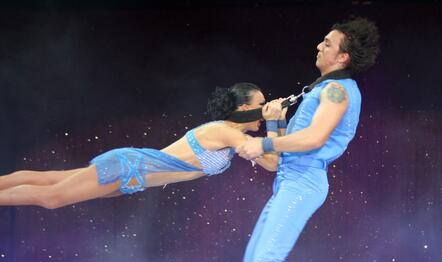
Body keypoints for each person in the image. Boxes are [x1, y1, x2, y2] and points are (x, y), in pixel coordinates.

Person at [236, 17, 380, 262]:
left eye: (328, 43)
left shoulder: (337, 91)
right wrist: (275, 124)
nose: (319, 45)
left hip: (303, 182)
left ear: (343, 57)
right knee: (255, 260)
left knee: (267, 260)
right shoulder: (325, 88)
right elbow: (283, 156)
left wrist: (264, 142)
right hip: (290, 180)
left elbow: (314, 139)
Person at [0, 83, 284, 208]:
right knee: (51, 198)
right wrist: (273, 121)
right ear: (244, 107)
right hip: (128, 167)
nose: (264, 109)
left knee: (51, 181)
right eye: (261, 104)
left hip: (132, 178)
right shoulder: (225, 132)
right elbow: (272, 163)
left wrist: (278, 121)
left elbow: (275, 160)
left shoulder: (232, 139)